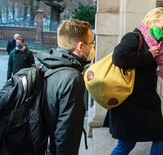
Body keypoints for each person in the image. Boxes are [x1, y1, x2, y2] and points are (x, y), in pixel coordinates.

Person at [109, 7, 163, 155]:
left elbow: (150, 72)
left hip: (142, 104)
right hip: (131, 105)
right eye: (162, 27)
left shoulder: (156, 45)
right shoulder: (134, 37)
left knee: (161, 134)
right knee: (126, 145)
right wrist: (148, 56)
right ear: (150, 23)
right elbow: (118, 58)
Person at [36, 19, 95, 155]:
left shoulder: (49, 64)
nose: (93, 48)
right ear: (80, 46)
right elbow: (67, 132)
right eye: (91, 43)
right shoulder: (72, 78)